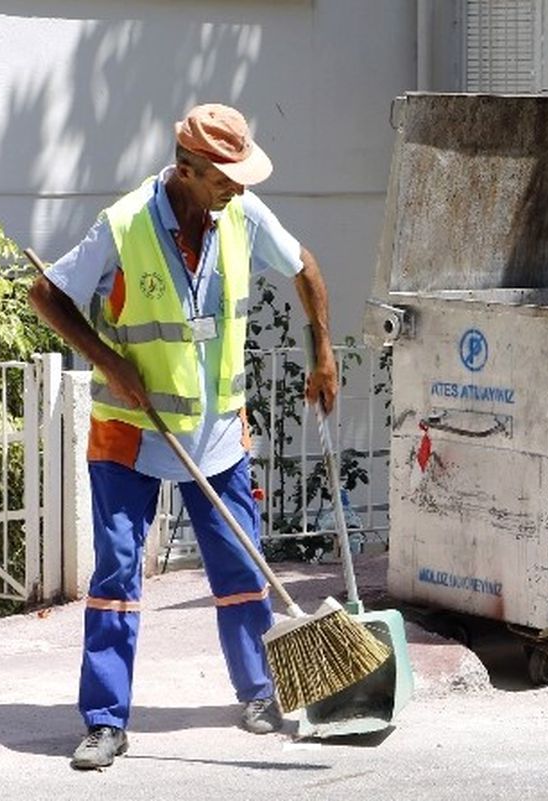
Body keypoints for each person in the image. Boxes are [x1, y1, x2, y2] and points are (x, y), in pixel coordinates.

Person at [28, 103, 338, 771]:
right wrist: (110, 363)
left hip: (217, 432)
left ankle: (258, 693)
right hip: (130, 433)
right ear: (188, 169)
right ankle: (106, 721)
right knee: (115, 574)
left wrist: (325, 354)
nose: (239, 187)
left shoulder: (242, 216)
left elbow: (305, 267)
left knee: (241, 567)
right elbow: (45, 294)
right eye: (226, 176)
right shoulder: (125, 224)